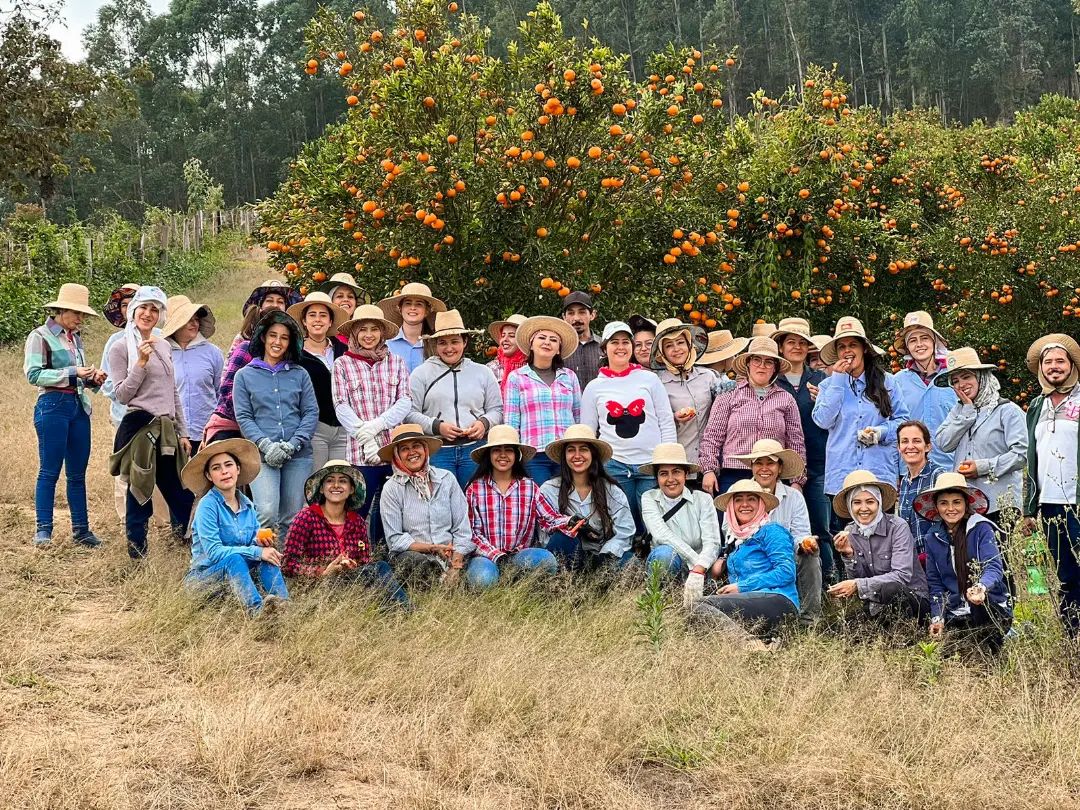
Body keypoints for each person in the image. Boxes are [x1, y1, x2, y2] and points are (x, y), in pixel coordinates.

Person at [108, 287, 196, 559]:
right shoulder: (121, 347)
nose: (148, 314)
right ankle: (137, 555)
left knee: (180, 491)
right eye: (143, 307)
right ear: (133, 310)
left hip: (166, 429)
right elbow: (121, 394)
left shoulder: (163, 345)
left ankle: (187, 547)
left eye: (154, 309)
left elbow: (173, 392)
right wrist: (141, 363)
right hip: (139, 429)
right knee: (139, 492)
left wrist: (182, 430)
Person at [812, 317, 909, 542]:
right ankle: (848, 577)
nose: (847, 351)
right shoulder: (828, 385)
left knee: (883, 538)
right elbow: (822, 421)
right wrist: (837, 380)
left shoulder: (887, 382)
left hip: (878, 471)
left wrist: (880, 433)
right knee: (845, 539)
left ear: (863, 349)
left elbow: (903, 422)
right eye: (842, 346)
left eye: (852, 345)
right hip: (842, 473)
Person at [24, 283, 106, 548]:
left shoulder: (76, 338)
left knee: (77, 473)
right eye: (76, 313)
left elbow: (80, 378)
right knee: (49, 470)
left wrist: (94, 379)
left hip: (78, 405)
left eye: (82, 315)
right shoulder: (40, 336)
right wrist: (73, 373)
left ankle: (81, 530)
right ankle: (43, 530)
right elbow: (34, 375)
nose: (80, 319)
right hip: (52, 405)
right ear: (60, 310)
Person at [582, 321, 676, 532]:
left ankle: (655, 561)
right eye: (615, 342)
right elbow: (588, 432)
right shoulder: (594, 387)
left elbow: (665, 421)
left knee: (652, 522)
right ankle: (626, 560)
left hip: (650, 464)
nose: (621, 347)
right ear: (604, 348)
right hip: (614, 464)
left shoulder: (649, 379)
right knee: (624, 521)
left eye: (626, 342)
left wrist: (667, 460)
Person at [233, 311, 318, 539]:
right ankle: (263, 562)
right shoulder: (244, 375)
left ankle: (287, 565)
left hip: (298, 455)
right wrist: (266, 445)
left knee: (292, 515)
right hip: (262, 455)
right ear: (263, 337)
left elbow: (310, 412)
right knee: (267, 511)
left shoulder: (300, 374)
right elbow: (244, 417)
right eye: (273, 335)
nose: (277, 342)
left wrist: (293, 444)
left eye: (284, 337)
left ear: (290, 342)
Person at [182, 438, 289, 616]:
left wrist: (262, 543)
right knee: (235, 559)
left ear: (237, 469)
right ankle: (256, 612)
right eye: (216, 468)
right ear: (209, 476)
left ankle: (285, 607)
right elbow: (215, 553)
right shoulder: (207, 505)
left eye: (228, 465)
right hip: (205, 578)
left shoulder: (248, 505)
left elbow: (253, 541)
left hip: (239, 575)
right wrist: (256, 552)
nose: (224, 472)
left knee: (267, 557)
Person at [333, 304, 412, 543]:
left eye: (374, 329)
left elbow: (405, 400)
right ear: (354, 333)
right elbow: (341, 405)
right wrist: (366, 438)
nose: (369, 335)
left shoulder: (395, 362)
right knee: (358, 509)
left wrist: (377, 426)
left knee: (392, 508)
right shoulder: (342, 364)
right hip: (359, 453)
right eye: (363, 329)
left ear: (382, 333)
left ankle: (387, 555)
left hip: (392, 450)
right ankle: (354, 558)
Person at [281, 460, 409, 606]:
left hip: (350, 586)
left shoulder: (357, 522)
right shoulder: (306, 517)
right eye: (330, 481)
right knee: (381, 568)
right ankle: (408, 611)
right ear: (321, 488)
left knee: (379, 569)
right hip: (315, 588)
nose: (336, 485)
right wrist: (322, 571)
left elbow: (364, 561)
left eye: (342, 481)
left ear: (352, 489)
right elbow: (287, 564)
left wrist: (352, 566)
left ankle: (400, 611)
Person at [1022, 333, 1080, 635]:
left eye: (1060, 361)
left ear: (1072, 365)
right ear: (1041, 368)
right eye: (1048, 362)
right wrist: (1029, 509)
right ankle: (1073, 635)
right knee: (1066, 573)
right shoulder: (1036, 406)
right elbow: (1030, 459)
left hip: (1077, 502)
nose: (1054, 366)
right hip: (1051, 504)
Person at [691, 480, 798, 642]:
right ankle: (764, 641)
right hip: (751, 602)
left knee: (698, 606)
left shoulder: (771, 530)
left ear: (761, 504)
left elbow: (786, 571)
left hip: (778, 600)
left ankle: (749, 644)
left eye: (751, 499)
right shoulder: (735, 539)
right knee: (693, 616)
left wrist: (741, 587)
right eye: (738, 499)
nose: (744, 504)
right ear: (731, 507)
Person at [915, 472, 1012, 650]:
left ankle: (993, 651)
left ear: (966, 504)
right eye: (944, 503)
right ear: (936, 507)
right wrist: (938, 618)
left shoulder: (981, 528)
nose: (950, 508)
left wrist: (981, 587)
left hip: (989, 605)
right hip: (956, 610)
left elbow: (994, 567)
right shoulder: (932, 538)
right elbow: (935, 584)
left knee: (980, 610)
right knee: (947, 650)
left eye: (956, 502)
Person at [699, 336, 806, 495]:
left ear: (775, 368)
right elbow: (712, 436)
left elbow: (796, 442)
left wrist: (797, 481)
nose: (762, 366)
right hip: (734, 472)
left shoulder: (786, 399)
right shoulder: (729, 395)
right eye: (757, 360)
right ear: (748, 364)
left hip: (771, 474)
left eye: (768, 362)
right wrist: (708, 470)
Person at [463, 425, 565, 588]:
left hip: (519, 554)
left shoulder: (529, 487)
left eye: (509, 450)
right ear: (489, 455)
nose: (503, 455)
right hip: (485, 556)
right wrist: (497, 556)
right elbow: (471, 533)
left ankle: (517, 582)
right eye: (497, 450)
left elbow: (549, 519)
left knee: (546, 560)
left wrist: (570, 522)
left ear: (516, 455)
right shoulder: (474, 488)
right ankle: (498, 582)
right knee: (483, 579)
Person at [410, 309, 502, 488]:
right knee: (441, 500)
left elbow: (497, 409)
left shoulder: (482, 372)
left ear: (465, 342)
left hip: (475, 449)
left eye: (455, 341)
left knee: (475, 499)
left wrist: (483, 423)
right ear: (435, 344)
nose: (449, 348)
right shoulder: (421, 374)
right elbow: (410, 413)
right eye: (443, 342)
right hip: (438, 450)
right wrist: (437, 426)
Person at [734, 439, 821, 624]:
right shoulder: (738, 493)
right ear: (751, 466)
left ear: (780, 468)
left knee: (811, 556)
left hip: (785, 558)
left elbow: (800, 533)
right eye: (759, 463)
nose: (764, 468)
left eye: (770, 463)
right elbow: (732, 533)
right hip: (753, 558)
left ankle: (808, 619)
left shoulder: (794, 497)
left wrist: (805, 543)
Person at [935, 347, 1027, 522]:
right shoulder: (959, 411)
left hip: (1000, 505)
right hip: (967, 505)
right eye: (955, 381)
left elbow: (1021, 455)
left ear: (981, 377)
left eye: (966, 377)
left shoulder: (1007, 411)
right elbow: (943, 443)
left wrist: (983, 467)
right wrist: (967, 413)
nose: (961, 385)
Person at [827, 470, 930, 620]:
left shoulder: (897, 527)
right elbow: (856, 579)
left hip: (914, 598)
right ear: (850, 506)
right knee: (844, 624)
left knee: (891, 588)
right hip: (876, 602)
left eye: (870, 501)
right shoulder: (850, 531)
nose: (863, 508)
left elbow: (902, 576)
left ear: (879, 503)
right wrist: (849, 555)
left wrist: (857, 584)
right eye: (856, 502)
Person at [379, 424, 474, 586]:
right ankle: (437, 584)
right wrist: (431, 548)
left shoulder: (446, 479)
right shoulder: (392, 488)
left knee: (479, 575)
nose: (412, 452)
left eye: (416, 445)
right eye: (404, 449)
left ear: (425, 449)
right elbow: (395, 539)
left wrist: (456, 565)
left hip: (452, 554)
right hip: (416, 556)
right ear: (397, 456)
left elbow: (462, 529)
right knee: (412, 561)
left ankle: (450, 579)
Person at [773, 317, 832, 575]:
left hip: (819, 461)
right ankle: (787, 574)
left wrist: (825, 401)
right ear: (781, 347)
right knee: (783, 523)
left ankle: (828, 575)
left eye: (801, 343)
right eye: (790, 342)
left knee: (821, 523)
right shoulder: (773, 381)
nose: (796, 347)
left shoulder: (822, 379)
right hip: (782, 463)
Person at [207, 286, 297, 445]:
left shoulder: (288, 357)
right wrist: (252, 416)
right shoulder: (245, 348)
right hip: (231, 422)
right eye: (271, 333)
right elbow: (227, 388)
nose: (276, 340)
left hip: (265, 430)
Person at [540, 424, 635, 573]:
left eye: (583, 449)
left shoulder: (611, 490)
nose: (577, 455)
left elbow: (625, 531)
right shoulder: (549, 489)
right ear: (565, 456)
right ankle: (565, 586)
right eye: (571, 450)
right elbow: (544, 533)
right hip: (567, 556)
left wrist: (605, 555)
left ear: (593, 454)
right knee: (560, 539)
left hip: (602, 554)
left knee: (628, 561)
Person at [638, 444, 722, 603]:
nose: (670, 479)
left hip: (701, 569)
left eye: (676, 472)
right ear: (657, 477)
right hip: (673, 564)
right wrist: (696, 563)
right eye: (663, 473)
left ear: (686, 474)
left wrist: (701, 568)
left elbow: (712, 542)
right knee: (664, 555)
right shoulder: (649, 498)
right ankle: (663, 601)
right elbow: (662, 535)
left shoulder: (702, 499)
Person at [504, 315, 582, 483]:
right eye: (541, 337)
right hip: (534, 454)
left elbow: (578, 416)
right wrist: (513, 452)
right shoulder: (517, 377)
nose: (547, 342)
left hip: (565, 453)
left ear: (559, 349)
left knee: (566, 501)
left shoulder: (569, 377)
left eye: (553, 340)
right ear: (531, 344)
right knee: (540, 501)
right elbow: (511, 421)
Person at [651, 318, 725, 476]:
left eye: (680, 342)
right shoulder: (657, 383)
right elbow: (650, 423)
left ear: (689, 345)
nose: (676, 349)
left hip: (710, 466)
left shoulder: (708, 377)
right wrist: (673, 417)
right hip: (678, 466)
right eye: (669, 345)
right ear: (662, 353)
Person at [288, 292, 350, 470]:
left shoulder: (343, 350)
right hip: (315, 429)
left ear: (330, 321)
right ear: (304, 321)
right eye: (312, 315)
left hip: (343, 428)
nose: (318, 320)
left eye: (323, 315)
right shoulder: (295, 355)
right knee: (315, 482)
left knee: (340, 477)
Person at [892, 311, 957, 471]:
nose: (919, 344)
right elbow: (893, 424)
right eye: (913, 340)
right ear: (907, 347)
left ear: (935, 342)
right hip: (910, 467)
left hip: (950, 465)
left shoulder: (953, 377)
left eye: (925, 338)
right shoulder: (897, 381)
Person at [163, 295, 222, 457]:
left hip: (206, 430)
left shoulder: (213, 353)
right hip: (172, 431)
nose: (194, 323)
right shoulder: (162, 352)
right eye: (189, 320)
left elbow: (220, 392)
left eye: (196, 319)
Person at [896, 420, 946, 558]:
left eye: (916, 441)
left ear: (927, 446)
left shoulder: (938, 476)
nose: (910, 446)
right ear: (898, 447)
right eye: (905, 441)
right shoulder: (905, 481)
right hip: (913, 559)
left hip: (938, 556)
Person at [378, 282, 447, 373]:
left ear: (427, 311)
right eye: (408, 303)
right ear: (400, 309)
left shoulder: (436, 344)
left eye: (419, 304)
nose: (413, 308)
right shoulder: (386, 344)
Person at [229, 279, 301, 358]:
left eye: (280, 302)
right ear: (260, 305)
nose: (275, 305)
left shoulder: (294, 338)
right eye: (269, 301)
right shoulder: (245, 336)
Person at [560, 291, 602, 388]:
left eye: (582, 312)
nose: (576, 318)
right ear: (564, 317)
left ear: (592, 315)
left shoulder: (605, 346)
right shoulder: (558, 349)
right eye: (571, 313)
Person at [486, 313, 527, 396]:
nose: (505, 339)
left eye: (511, 336)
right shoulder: (490, 369)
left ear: (524, 341)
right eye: (503, 335)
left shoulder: (533, 368)